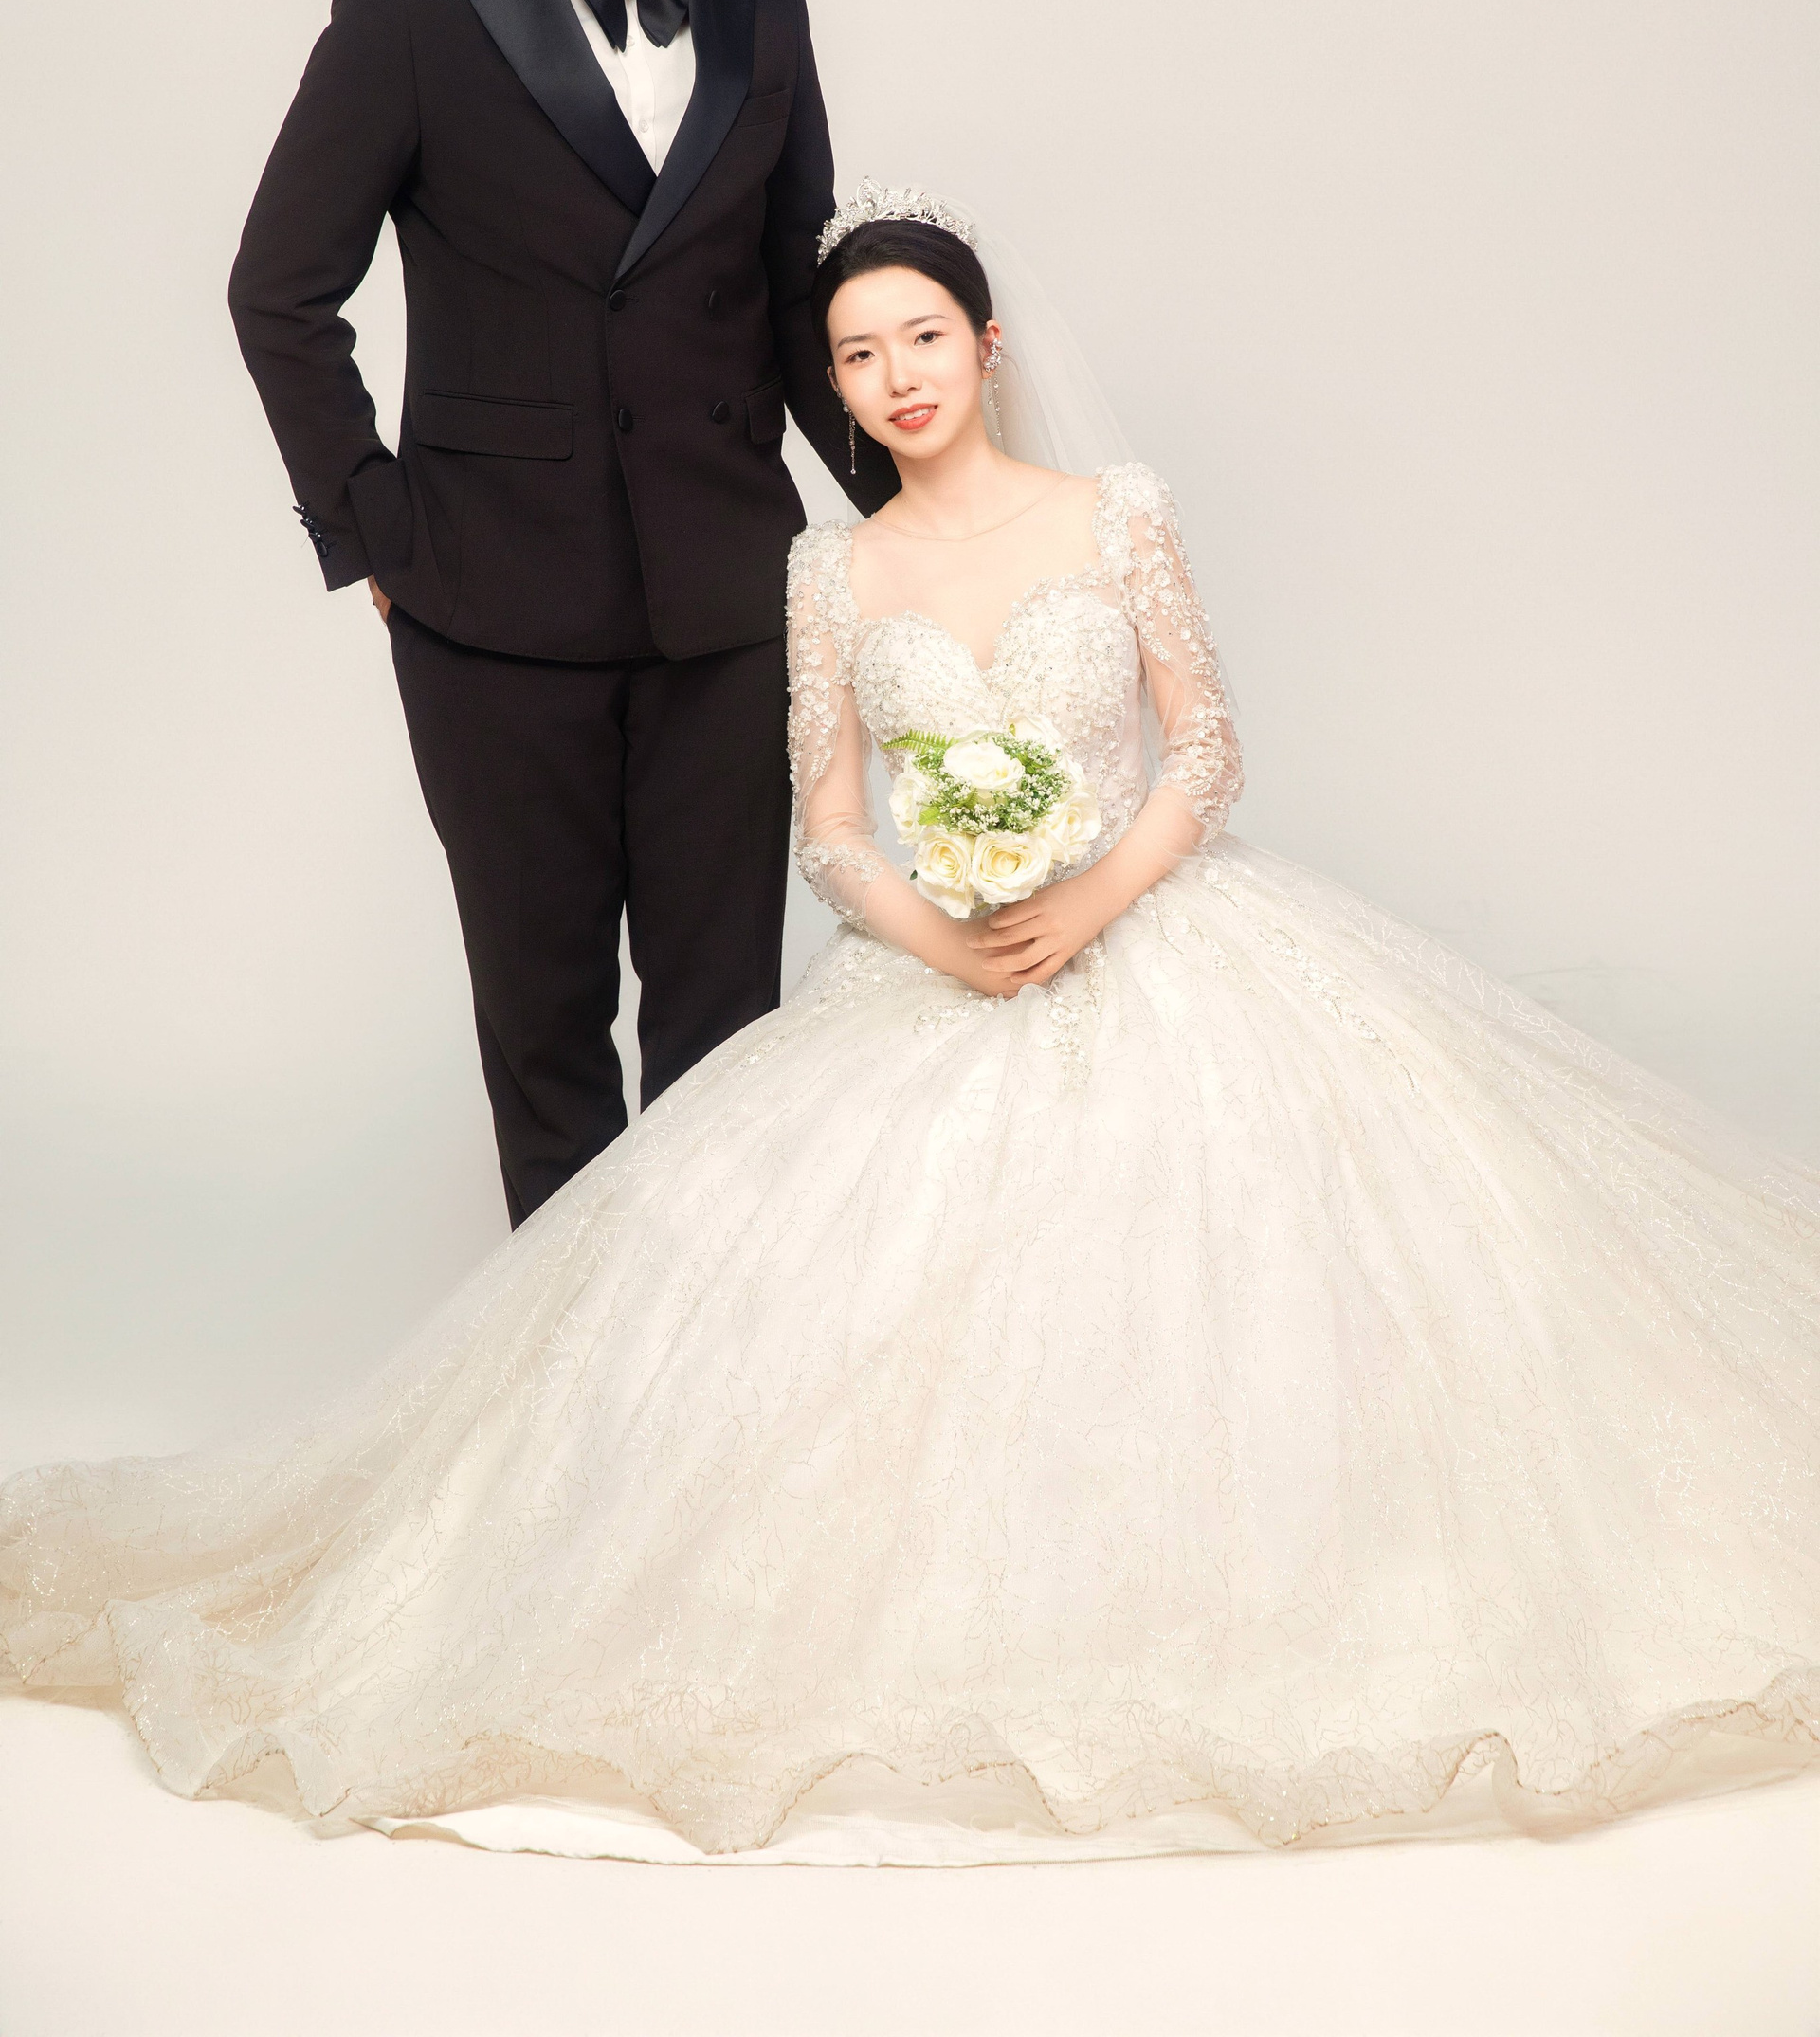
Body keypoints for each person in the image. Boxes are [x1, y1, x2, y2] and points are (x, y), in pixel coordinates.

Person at [4, 191, 1816, 1864]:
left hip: (1153, 924)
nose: (895, 379)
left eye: (923, 339)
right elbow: (830, 828)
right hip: (940, 960)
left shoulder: (1116, 513)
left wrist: (1089, 900)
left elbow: (1204, 748)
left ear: (987, 344)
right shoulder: (831, 569)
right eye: (857, 355)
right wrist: (945, 935)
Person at [226, 0, 895, 1227]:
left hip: (729, 600)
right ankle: (576, 1379)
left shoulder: (766, 3)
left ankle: (711, 1358)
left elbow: (797, 296)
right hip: (490, 607)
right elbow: (278, 289)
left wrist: (921, 511)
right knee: (545, 1042)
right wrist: (376, 532)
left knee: (729, 1037)